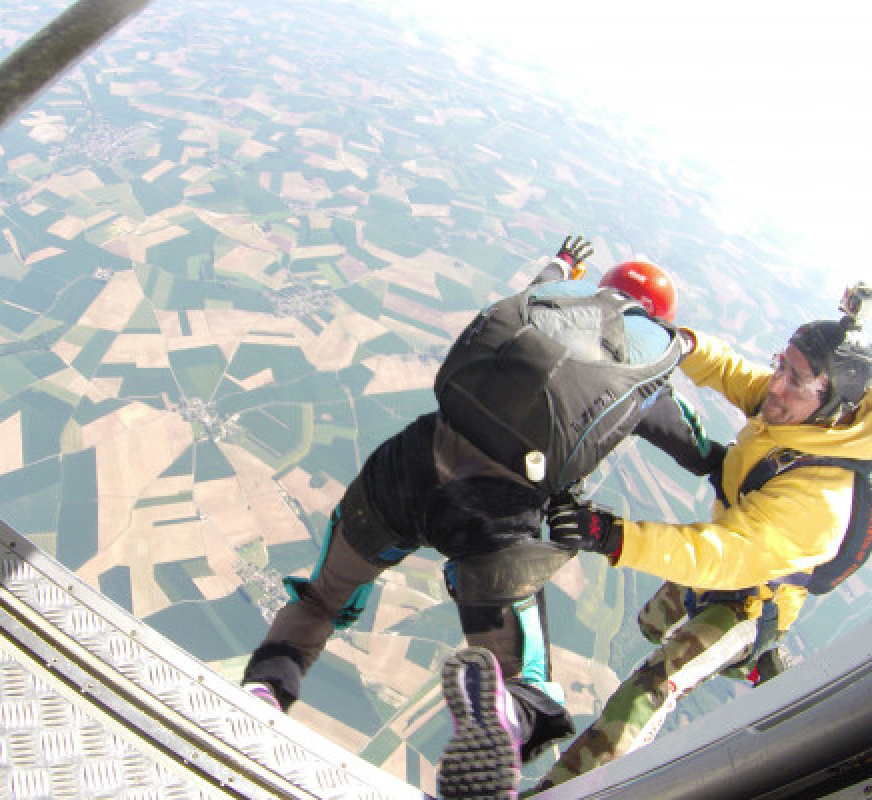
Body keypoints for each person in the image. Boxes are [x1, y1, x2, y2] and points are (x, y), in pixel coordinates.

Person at [238, 236, 721, 797]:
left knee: (323, 597)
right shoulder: (643, 372)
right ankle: (505, 718)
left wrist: (565, 263)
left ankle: (266, 689)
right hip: (497, 514)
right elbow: (701, 450)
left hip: (410, 462)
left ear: (603, 290)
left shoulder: (557, 302)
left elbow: (536, 284)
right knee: (522, 680)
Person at [442, 286, 872, 797]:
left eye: (795, 379)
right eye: (781, 365)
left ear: (832, 404)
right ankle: (745, 662)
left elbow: (719, 556)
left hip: (753, 598)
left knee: (650, 688)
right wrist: (676, 342)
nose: (775, 385)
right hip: (726, 557)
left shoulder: (820, 503)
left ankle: (558, 792)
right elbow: (732, 372)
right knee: (650, 623)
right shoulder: (798, 413)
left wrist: (612, 536)